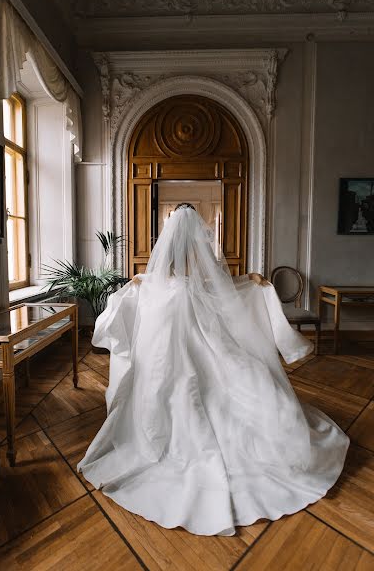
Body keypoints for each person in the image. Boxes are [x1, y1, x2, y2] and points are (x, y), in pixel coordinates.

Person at [78, 203, 349, 536]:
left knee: (169, 385)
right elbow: (216, 286)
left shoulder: (161, 282)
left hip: (171, 348)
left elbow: (165, 283)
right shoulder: (184, 275)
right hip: (195, 340)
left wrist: (140, 281)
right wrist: (249, 280)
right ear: (196, 234)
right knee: (233, 379)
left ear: (169, 231)